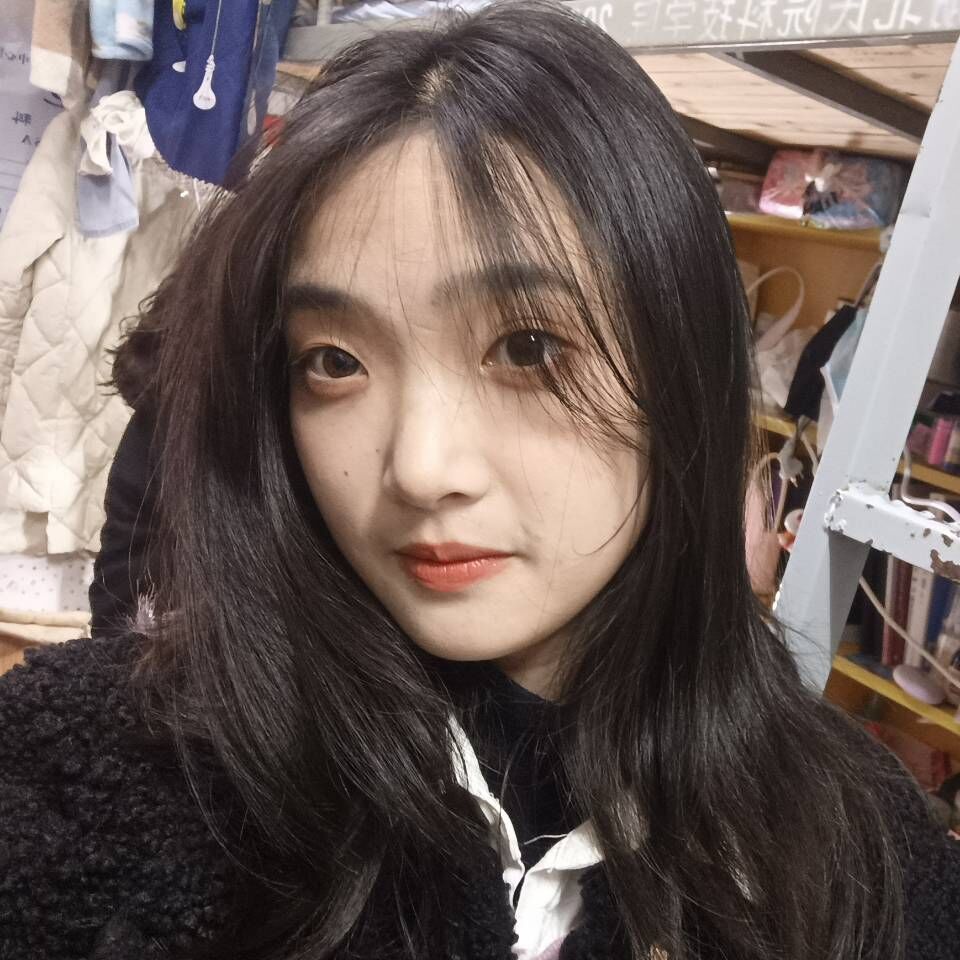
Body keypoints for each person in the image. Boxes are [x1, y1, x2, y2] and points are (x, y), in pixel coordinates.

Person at [1, 3, 958, 959]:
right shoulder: (96, 771)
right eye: (335, 362)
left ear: (684, 370)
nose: (421, 469)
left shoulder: (862, 847)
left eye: (529, 348)